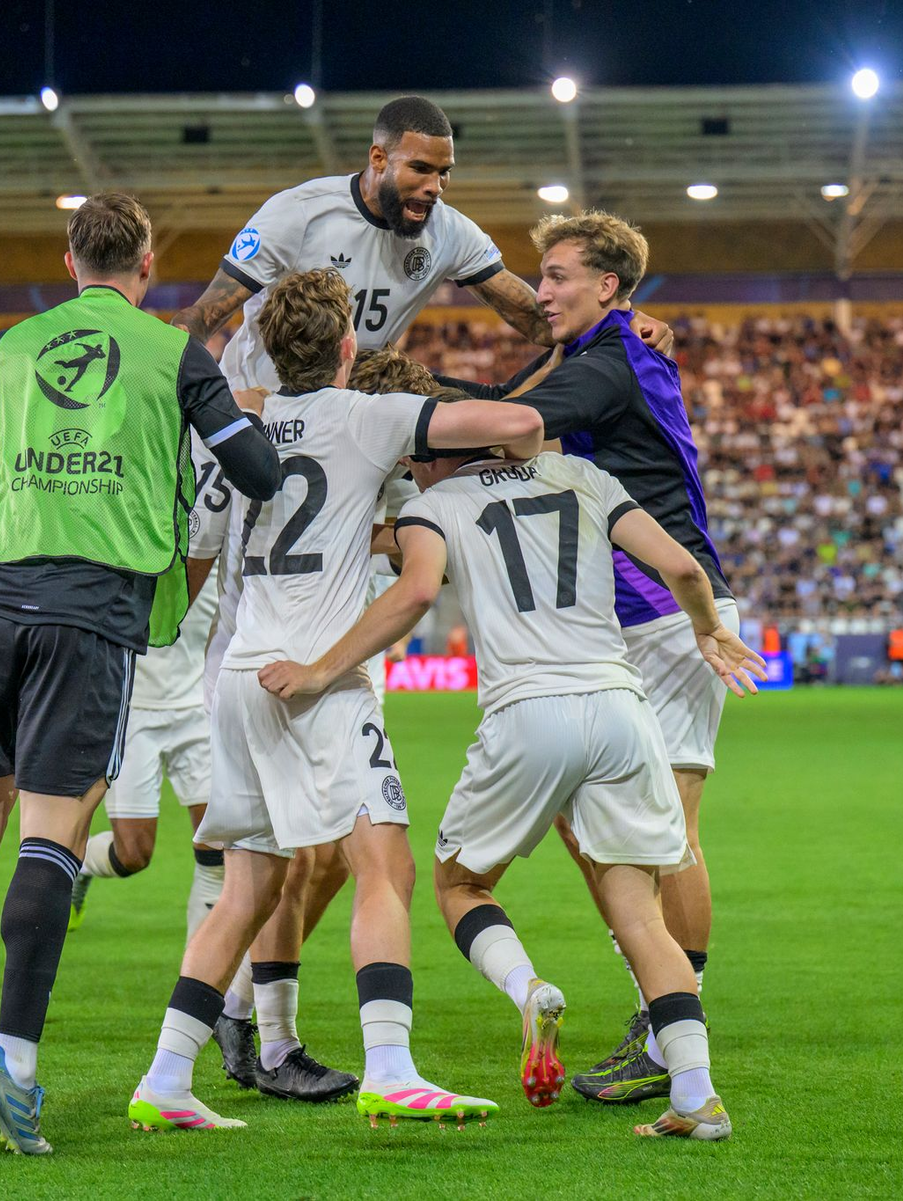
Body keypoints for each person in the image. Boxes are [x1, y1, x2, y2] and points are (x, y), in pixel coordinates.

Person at [175, 95, 675, 1089]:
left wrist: (617, 321)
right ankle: (297, 1038)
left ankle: (233, 1036)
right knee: (337, 844)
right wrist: (233, 415)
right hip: (269, 453)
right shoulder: (296, 213)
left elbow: (533, 309)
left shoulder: (448, 234)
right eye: (421, 171)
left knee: (291, 838)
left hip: (335, 470)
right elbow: (203, 322)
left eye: (445, 172)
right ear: (376, 159)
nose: (436, 189)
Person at [0, 192, 281, 1155]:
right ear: (146, 265)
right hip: (92, 612)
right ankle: (13, 1065)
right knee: (54, 834)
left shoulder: (11, 347)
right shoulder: (174, 354)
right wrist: (250, 418)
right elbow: (258, 473)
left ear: (68, 262)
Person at [126, 266, 545, 1133]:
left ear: (273, 351)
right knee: (384, 865)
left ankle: (167, 1075)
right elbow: (522, 423)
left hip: (237, 673)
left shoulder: (238, 420)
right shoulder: (371, 415)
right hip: (317, 678)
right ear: (351, 346)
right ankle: (390, 1065)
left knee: (245, 887)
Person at [259, 429, 765, 1141]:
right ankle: (698, 1095)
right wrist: (708, 628)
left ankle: (529, 988)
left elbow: (413, 592)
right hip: (620, 707)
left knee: (458, 882)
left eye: (415, 456)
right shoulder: (581, 474)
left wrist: (317, 668)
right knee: (642, 917)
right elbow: (684, 565)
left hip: (528, 711)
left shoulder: (439, 505)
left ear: (441, 451)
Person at [428, 210, 740, 1102]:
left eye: (558, 274)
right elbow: (516, 399)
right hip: (644, 609)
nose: (541, 290)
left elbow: (516, 418)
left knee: (666, 834)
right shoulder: (600, 354)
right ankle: (666, 1007)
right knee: (605, 824)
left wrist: (389, 398)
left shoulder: (611, 361)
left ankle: (675, 1020)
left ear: (609, 286)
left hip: (666, 610)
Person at [67, 431, 231, 941]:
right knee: (134, 853)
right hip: (133, 711)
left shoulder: (208, 526)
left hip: (196, 709)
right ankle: (84, 867)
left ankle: (205, 992)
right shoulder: (113, 527)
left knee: (218, 847)